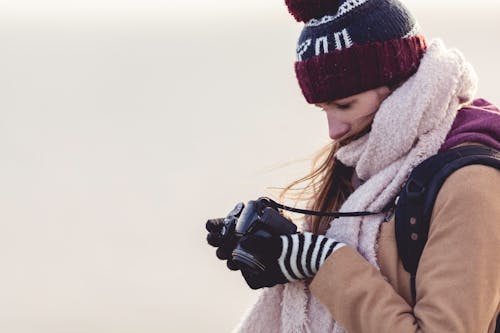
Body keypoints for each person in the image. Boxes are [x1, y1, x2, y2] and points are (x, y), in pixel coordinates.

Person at [206, 0, 500, 332]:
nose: (333, 130)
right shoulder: (371, 161)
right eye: (323, 109)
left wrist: (323, 262)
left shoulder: (471, 184)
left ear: (398, 83)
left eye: (345, 105)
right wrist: (283, 250)